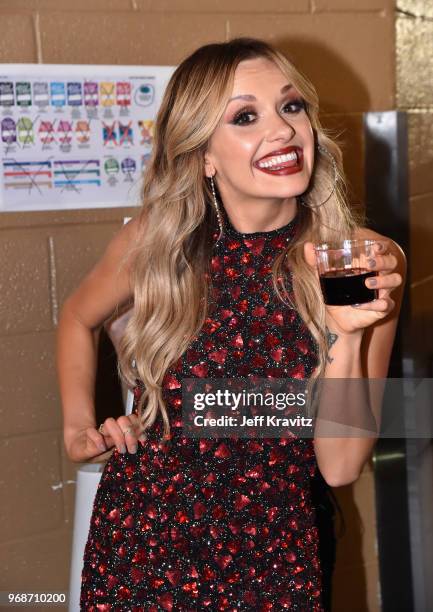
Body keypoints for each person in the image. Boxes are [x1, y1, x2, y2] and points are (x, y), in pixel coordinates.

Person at [56, 37, 406, 611]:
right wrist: (78, 428)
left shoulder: (359, 258)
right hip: (139, 542)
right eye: (246, 116)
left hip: (272, 557)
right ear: (204, 156)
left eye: (291, 107)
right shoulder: (159, 242)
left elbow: (340, 467)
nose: (283, 131)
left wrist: (347, 328)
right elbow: (76, 315)